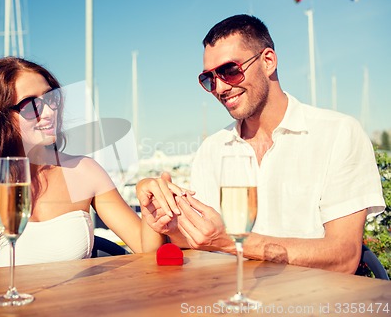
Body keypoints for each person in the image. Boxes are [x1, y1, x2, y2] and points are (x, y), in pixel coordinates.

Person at [136, 14, 385, 273]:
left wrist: (233, 242)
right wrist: (171, 227)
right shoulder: (212, 149)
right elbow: (202, 244)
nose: (220, 88)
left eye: (229, 71)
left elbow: (344, 257)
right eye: (209, 79)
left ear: (268, 61)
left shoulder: (338, 133)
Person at [0, 57, 159, 273]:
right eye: (30, 105)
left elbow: (145, 248)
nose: (48, 112)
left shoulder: (83, 172)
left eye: (51, 98)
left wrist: (149, 205)